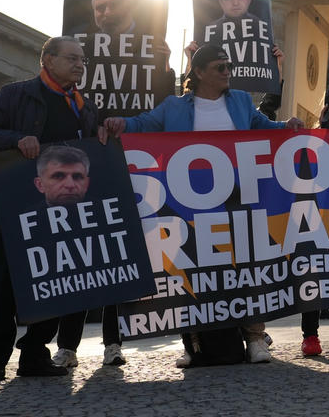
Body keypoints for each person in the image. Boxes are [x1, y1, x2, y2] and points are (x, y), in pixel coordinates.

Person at [103, 45, 304, 365]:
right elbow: (142, 124)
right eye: (220, 67)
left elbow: (262, 126)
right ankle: (194, 346)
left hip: (237, 200)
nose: (227, 72)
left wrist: (287, 127)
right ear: (199, 73)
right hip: (189, 205)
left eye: (229, 66)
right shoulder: (174, 107)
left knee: (246, 270)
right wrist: (120, 123)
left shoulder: (239, 101)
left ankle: (255, 339)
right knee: (193, 274)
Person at [0, 37, 99, 380]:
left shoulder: (85, 105)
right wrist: (16, 139)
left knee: (59, 281)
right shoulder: (14, 94)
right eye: (72, 58)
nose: (80, 64)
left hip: (66, 210)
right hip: (18, 205)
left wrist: (107, 133)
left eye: (83, 60)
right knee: (5, 286)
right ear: (47, 60)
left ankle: (35, 355)